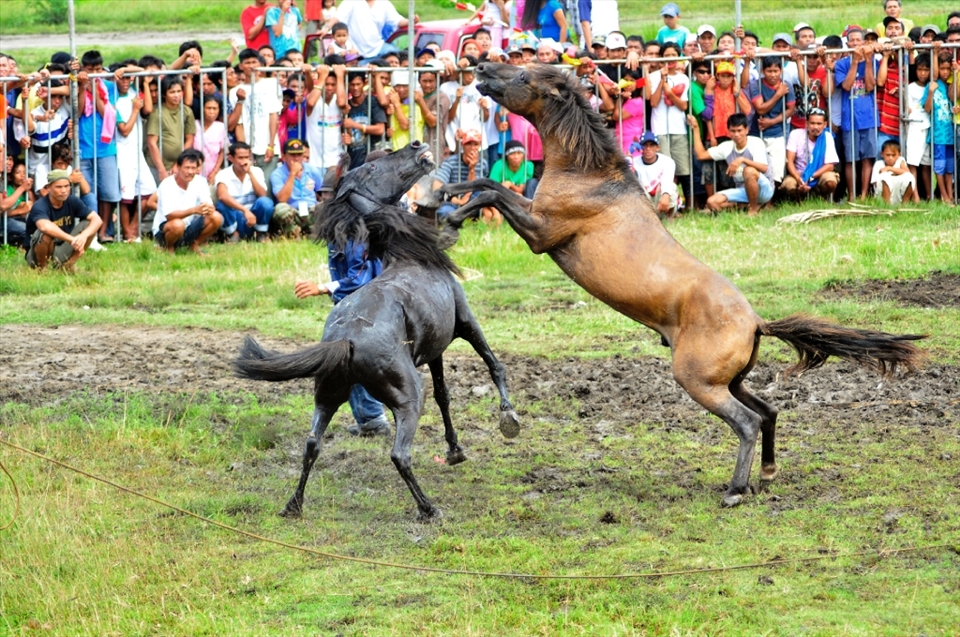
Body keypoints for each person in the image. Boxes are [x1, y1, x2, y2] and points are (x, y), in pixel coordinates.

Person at [688, 113, 774, 216]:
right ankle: (748, 206)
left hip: (764, 190)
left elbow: (764, 168)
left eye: (739, 130)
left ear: (746, 130)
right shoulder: (727, 147)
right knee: (712, 202)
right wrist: (696, 128)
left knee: (749, 171)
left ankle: (753, 211)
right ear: (728, 132)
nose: (736, 134)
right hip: (743, 191)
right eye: (733, 131)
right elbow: (701, 155)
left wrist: (742, 160)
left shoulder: (756, 142)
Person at [75, 50, 121, 245]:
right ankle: (89, 232)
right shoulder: (77, 84)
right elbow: (77, 112)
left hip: (105, 147)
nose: (94, 73)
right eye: (90, 69)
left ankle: (104, 231)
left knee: (109, 192)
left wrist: (94, 91)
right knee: (88, 192)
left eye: (98, 69)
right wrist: (83, 87)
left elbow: (107, 114)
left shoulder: (109, 87)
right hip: (84, 147)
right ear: (83, 69)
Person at [25, 169, 102, 271]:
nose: (64, 190)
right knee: (44, 233)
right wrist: (72, 239)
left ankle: (68, 265)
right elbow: (44, 226)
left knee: (89, 224)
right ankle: (42, 269)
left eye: (66, 186)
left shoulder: (72, 200)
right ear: (48, 188)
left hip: (62, 248)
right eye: (59, 187)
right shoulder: (40, 205)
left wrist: (83, 236)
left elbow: (97, 219)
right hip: (35, 254)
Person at [834, 29, 878, 201]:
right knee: (851, 160)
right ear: (847, 44)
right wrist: (854, 62)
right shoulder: (842, 64)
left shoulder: (873, 61)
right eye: (852, 40)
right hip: (849, 118)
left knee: (868, 158)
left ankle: (864, 195)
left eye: (859, 40)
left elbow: (870, 86)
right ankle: (852, 196)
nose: (856, 43)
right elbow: (846, 86)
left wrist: (867, 61)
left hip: (869, 117)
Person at [152, 149, 222, 254]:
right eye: (187, 167)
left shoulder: (200, 181)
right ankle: (168, 248)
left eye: (193, 168)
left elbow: (208, 204)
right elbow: (169, 216)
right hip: (166, 228)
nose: (190, 172)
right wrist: (194, 210)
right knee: (177, 224)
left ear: (198, 169)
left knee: (216, 217)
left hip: (188, 226)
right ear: (178, 167)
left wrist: (208, 208)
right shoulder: (167, 184)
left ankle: (194, 245)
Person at [114, 69, 156, 242]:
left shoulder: (133, 90)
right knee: (126, 197)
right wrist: (134, 111)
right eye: (122, 79)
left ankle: (134, 227)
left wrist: (143, 82)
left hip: (137, 153)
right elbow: (124, 130)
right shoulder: (114, 99)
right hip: (123, 154)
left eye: (128, 78)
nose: (126, 82)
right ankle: (127, 233)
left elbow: (148, 108)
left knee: (150, 190)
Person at [231, 48, 282, 181]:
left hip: (268, 148)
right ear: (241, 66)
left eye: (254, 62)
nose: (251, 66)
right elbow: (239, 124)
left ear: (260, 64)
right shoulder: (235, 91)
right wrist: (244, 153)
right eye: (247, 63)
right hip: (248, 150)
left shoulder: (271, 84)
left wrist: (271, 145)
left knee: (267, 188)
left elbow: (273, 116)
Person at [749, 56, 795, 184]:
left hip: (777, 133)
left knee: (776, 172)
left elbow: (791, 110)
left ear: (781, 71)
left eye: (776, 71)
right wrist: (778, 95)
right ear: (763, 71)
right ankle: (761, 200)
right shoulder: (756, 84)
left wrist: (772, 122)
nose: (773, 75)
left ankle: (771, 202)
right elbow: (760, 109)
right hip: (757, 133)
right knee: (758, 168)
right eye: (769, 71)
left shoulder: (787, 85)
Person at [215, 142, 274, 242]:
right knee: (221, 204)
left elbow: (262, 195)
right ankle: (233, 234)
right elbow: (222, 195)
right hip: (236, 218)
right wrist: (244, 211)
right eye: (240, 158)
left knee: (266, 202)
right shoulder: (223, 174)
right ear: (231, 158)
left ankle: (260, 234)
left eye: (247, 157)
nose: (244, 161)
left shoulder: (257, 171)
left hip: (254, 218)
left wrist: (250, 173)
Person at [146, 76, 197, 182]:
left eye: (179, 91)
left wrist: (178, 163)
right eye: (172, 92)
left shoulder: (187, 111)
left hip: (178, 165)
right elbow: (152, 142)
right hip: (157, 166)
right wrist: (161, 170)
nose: (177, 95)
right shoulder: (156, 112)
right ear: (164, 94)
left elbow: (190, 139)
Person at [781, 108, 839, 200]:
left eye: (819, 124)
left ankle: (819, 199)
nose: (815, 127)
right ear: (806, 123)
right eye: (812, 123)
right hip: (799, 173)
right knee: (788, 185)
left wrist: (810, 177)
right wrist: (798, 178)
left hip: (818, 173)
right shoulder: (795, 134)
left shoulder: (827, 137)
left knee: (830, 182)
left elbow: (830, 166)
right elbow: (790, 161)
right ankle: (798, 204)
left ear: (825, 124)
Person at [270, 138, 322, 237]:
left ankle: (313, 232)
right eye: (293, 155)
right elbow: (282, 199)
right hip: (293, 212)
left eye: (299, 154)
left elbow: (323, 192)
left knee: (328, 206)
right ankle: (294, 234)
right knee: (280, 209)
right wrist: (292, 174)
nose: (297, 158)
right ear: (284, 157)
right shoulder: (277, 174)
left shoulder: (312, 170)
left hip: (310, 210)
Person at [433, 128, 489, 219]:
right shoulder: (450, 162)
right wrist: (458, 201)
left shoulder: (483, 163)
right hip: (452, 200)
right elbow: (436, 186)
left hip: (473, 200)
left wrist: (472, 169)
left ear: (480, 146)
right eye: (468, 144)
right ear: (463, 145)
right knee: (445, 212)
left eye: (476, 144)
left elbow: (479, 188)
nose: (472, 148)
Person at [924, 47, 956, 203]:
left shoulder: (951, 86)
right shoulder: (932, 85)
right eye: (942, 68)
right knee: (940, 167)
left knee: (950, 167)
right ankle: (943, 196)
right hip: (938, 135)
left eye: (947, 69)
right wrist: (930, 92)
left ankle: (950, 195)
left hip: (951, 133)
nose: (945, 72)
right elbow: (927, 108)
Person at [304, 63, 347, 172]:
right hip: (315, 162)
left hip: (336, 161)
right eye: (326, 84)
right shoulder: (315, 99)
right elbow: (310, 102)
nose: (329, 88)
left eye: (333, 85)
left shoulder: (338, 99)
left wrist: (340, 76)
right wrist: (322, 77)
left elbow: (342, 103)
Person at [338, 0, 412, 60]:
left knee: (399, 58)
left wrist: (411, 21)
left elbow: (397, 21)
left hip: (379, 48)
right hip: (356, 52)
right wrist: (326, 28)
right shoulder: (350, 2)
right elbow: (337, 18)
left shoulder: (384, 4)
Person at [341, 71, 387, 169]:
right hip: (354, 161)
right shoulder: (346, 106)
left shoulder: (372, 101)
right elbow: (348, 133)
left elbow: (380, 129)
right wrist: (347, 137)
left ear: (364, 83)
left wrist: (355, 125)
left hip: (373, 160)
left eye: (358, 84)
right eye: (352, 85)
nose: (355, 88)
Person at [632, 131, 679, 218]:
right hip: (644, 198)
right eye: (645, 145)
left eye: (651, 145)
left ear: (657, 148)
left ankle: (669, 217)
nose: (648, 148)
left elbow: (667, 181)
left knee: (672, 187)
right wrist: (628, 157)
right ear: (640, 148)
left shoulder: (667, 161)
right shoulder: (634, 162)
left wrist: (665, 195)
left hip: (660, 196)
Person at [904, 54, 932, 201]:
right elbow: (907, 108)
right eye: (920, 69)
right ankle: (915, 196)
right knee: (913, 163)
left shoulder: (931, 87)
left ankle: (929, 195)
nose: (923, 73)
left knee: (926, 164)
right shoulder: (910, 87)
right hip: (914, 126)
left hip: (927, 126)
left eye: (926, 70)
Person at [193, 95, 227, 183]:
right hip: (194, 170)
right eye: (208, 108)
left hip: (213, 172)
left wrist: (215, 172)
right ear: (202, 108)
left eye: (215, 108)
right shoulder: (194, 125)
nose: (212, 112)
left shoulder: (221, 127)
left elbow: (223, 151)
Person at [871, 139, 915, 203]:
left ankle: (905, 205)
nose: (890, 158)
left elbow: (907, 172)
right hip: (882, 195)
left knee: (910, 177)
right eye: (888, 155)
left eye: (893, 155)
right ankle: (886, 205)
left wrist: (889, 168)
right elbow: (876, 183)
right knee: (884, 177)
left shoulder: (900, 161)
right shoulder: (878, 164)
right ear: (882, 154)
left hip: (898, 193)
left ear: (899, 154)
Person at [2, 159, 32, 248]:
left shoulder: (26, 192)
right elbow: (3, 213)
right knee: (26, 230)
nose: (22, 175)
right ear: (10, 177)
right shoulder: (8, 190)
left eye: (25, 172)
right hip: (7, 220)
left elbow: (34, 204)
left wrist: (29, 190)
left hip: (21, 219)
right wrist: (20, 210)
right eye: (18, 172)